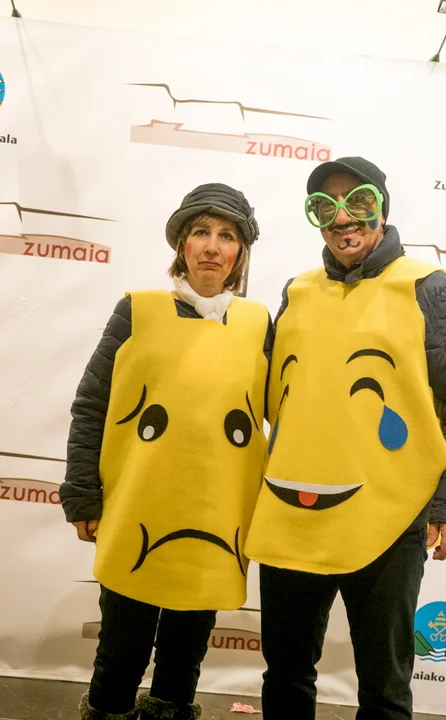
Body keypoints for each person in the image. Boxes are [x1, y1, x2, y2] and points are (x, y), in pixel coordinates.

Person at [245, 157, 446, 720]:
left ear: (382, 208)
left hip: (390, 519)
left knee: (384, 689)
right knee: (285, 675)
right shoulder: (297, 291)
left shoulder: (431, 289)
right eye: (324, 207)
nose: (342, 218)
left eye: (357, 201)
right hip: (293, 510)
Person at [60, 183, 273, 720]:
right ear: (182, 244)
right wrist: (82, 492)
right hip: (138, 510)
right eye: (201, 232)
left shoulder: (257, 324)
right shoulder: (138, 311)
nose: (212, 246)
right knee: (122, 646)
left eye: (227, 236)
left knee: (185, 652)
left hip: (215, 520)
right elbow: (92, 404)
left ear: (241, 253)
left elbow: (286, 414)